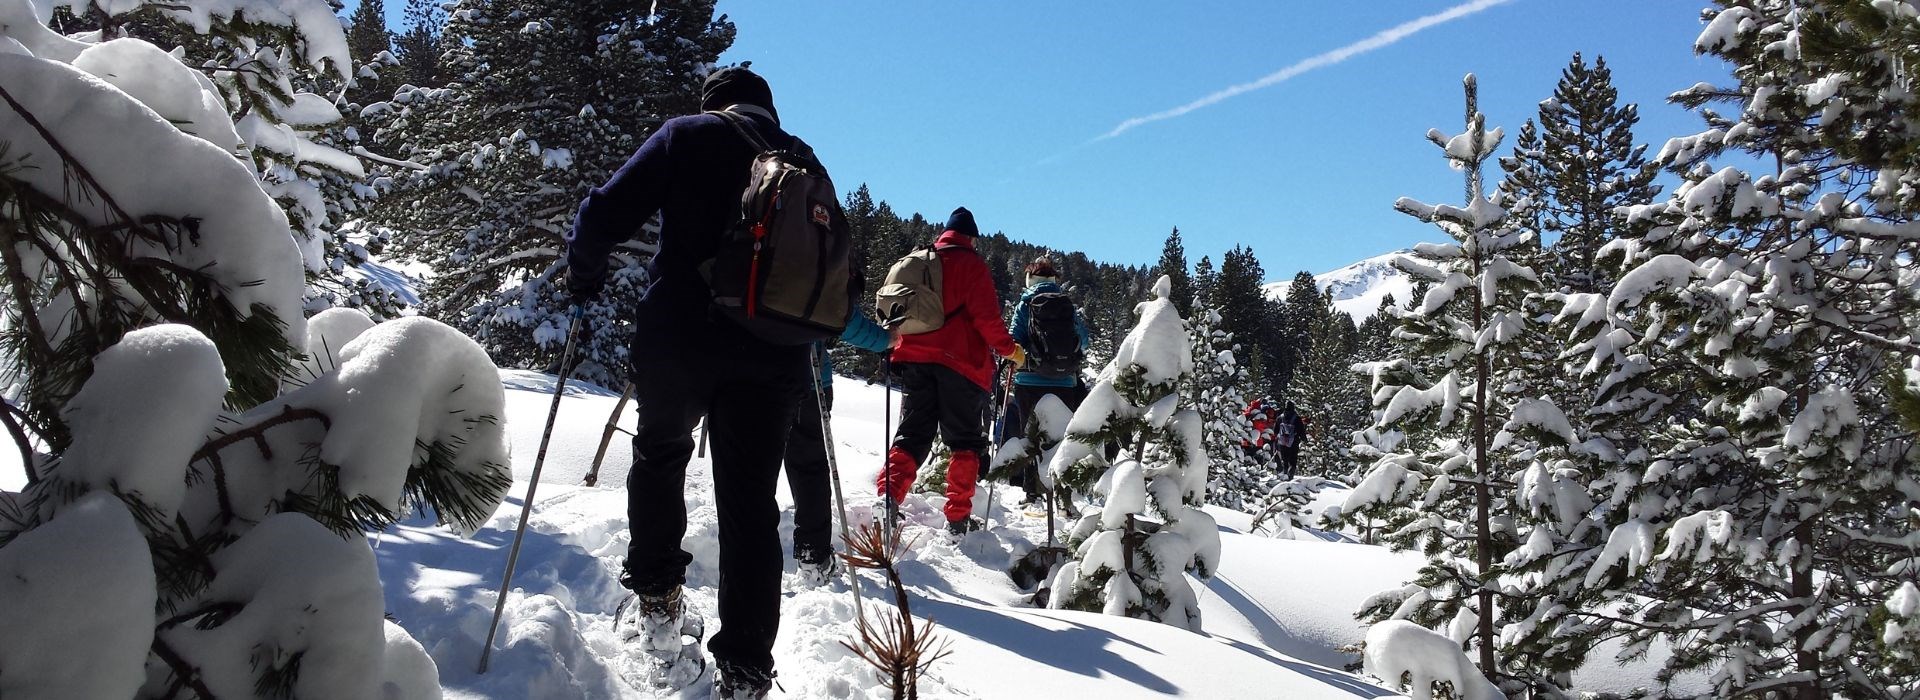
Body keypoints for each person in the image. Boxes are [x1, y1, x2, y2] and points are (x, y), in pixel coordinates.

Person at [565, 66, 829, 699]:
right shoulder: (805, 159)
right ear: (769, 107)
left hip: (681, 335)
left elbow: (603, 213)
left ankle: (658, 604)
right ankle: (744, 671)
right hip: (774, 356)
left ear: (714, 103)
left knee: (660, 456)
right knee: (751, 509)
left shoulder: (687, 135)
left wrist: (583, 280)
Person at [875, 207, 1025, 536]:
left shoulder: (922, 261)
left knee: (912, 435)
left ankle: (887, 497)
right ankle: (957, 517)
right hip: (960, 365)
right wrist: (1011, 350)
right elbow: (987, 321)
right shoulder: (971, 265)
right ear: (970, 237)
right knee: (965, 443)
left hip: (914, 359)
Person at [787, 306, 891, 584]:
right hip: (807, 379)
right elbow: (841, 311)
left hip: (747, 376)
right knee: (808, 468)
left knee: (751, 472)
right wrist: (886, 340)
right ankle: (813, 554)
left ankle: (747, 560)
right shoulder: (814, 261)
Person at [1003, 257, 1089, 503]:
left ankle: (1032, 493)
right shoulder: (1067, 306)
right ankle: (1061, 495)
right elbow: (1084, 341)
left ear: (1030, 279)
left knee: (1031, 437)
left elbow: (1013, 342)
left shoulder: (1026, 304)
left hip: (1029, 382)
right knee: (1061, 438)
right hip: (1065, 382)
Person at [1275, 401, 1307, 479]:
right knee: (1293, 460)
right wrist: (1304, 439)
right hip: (1293, 442)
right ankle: (1291, 475)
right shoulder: (1297, 418)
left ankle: (1285, 474)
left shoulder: (1280, 417)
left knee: (1284, 459)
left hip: (1282, 442)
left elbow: (1275, 430)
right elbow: (1301, 431)